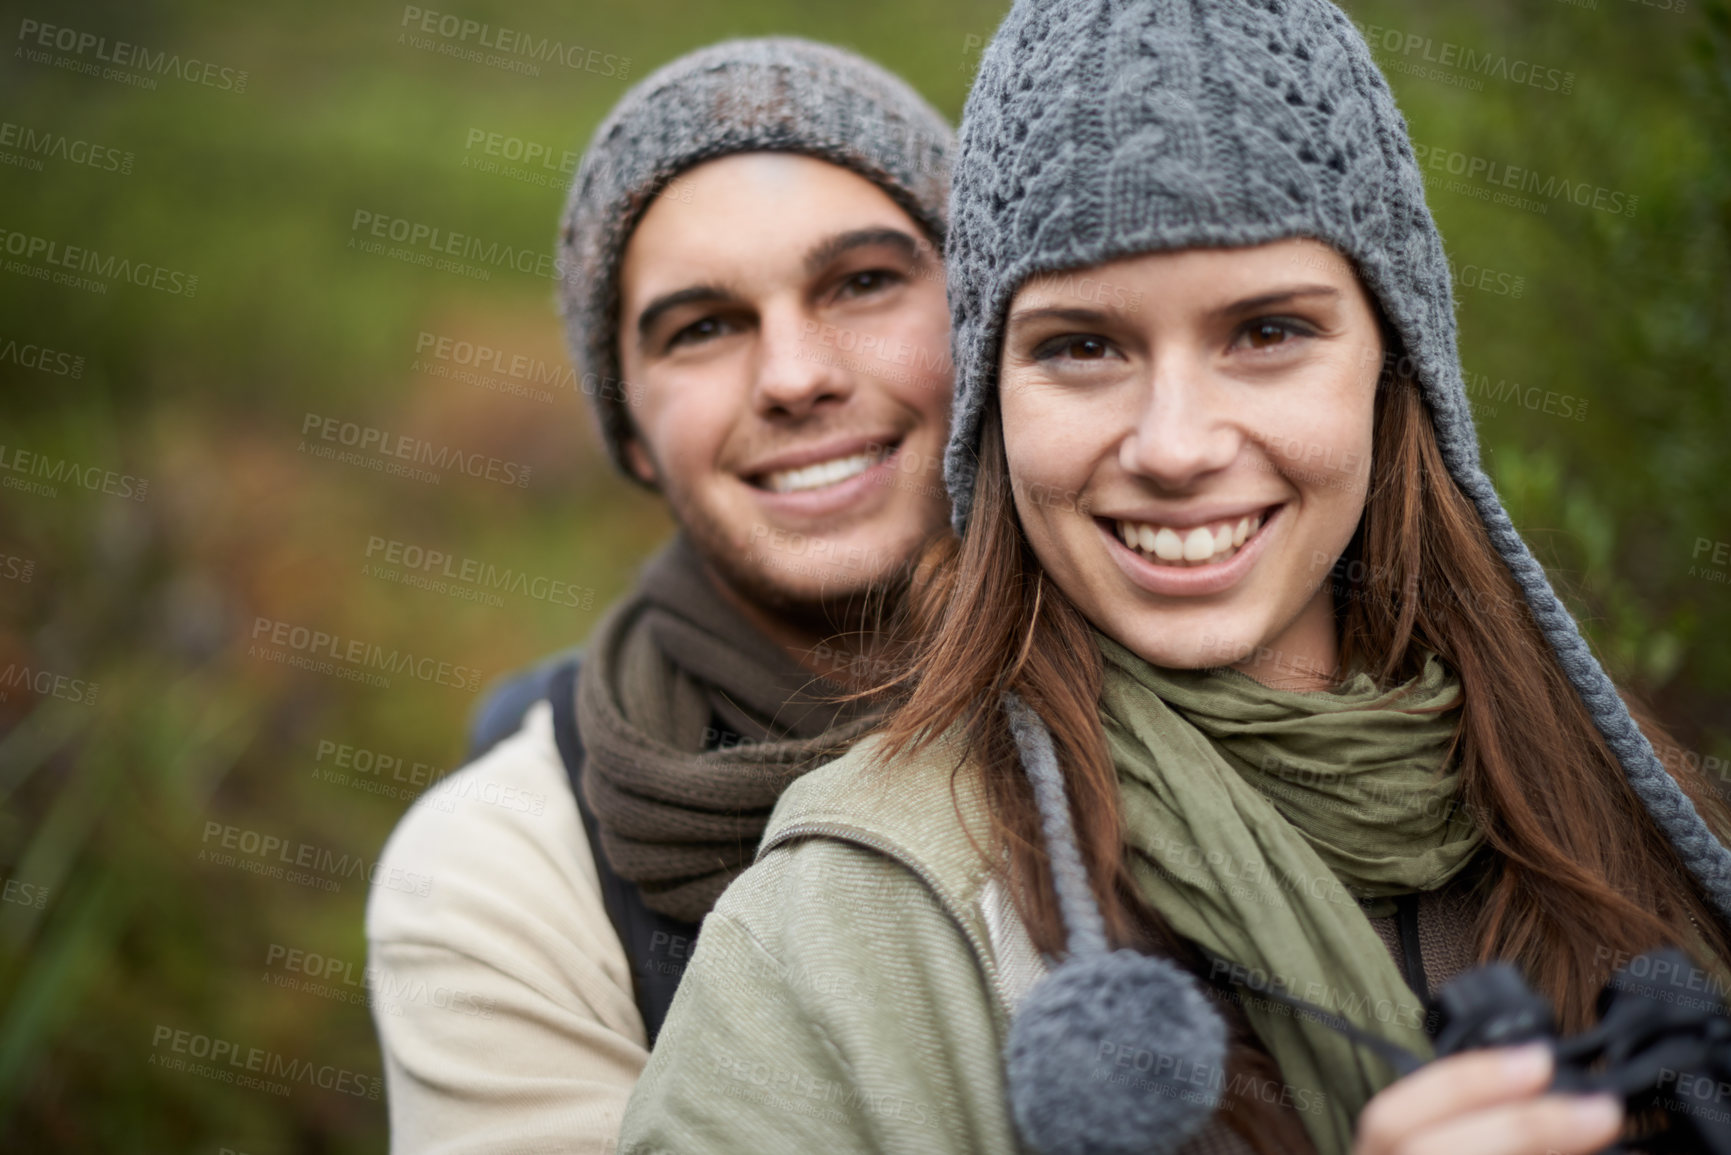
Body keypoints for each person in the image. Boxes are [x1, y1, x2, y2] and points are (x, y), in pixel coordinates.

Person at [616, 3, 1731, 1154]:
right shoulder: (852, 928)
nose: (1176, 444)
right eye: (1082, 347)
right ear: (991, 402)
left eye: (1266, 331)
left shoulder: (1620, 805)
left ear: (1397, 364)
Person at [364, 37, 955, 1153]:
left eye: (865, 282)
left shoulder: (1211, 673)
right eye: (705, 328)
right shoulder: (499, 875)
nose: (794, 376)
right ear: (633, 433)